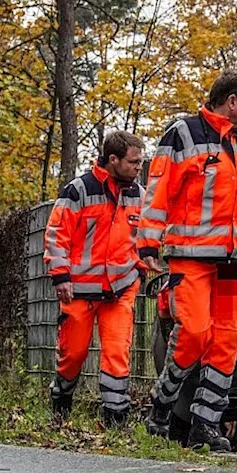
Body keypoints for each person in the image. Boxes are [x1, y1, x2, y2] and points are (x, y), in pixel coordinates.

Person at [136, 71, 237, 451]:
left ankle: (205, 425)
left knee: (227, 340)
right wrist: (147, 243)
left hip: (236, 260)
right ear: (232, 101)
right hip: (192, 258)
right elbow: (158, 190)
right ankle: (161, 408)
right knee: (194, 334)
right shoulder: (183, 134)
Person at [44, 130, 147, 428]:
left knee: (117, 353)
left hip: (120, 289)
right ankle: (61, 404)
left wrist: (138, 270)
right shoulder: (78, 191)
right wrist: (61, 276)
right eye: (133, 162)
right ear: (113, 159)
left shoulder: (138, 195)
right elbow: (56, 235)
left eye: (140, 162)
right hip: (78, 290)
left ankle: (116, 419)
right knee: (72, 355)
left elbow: (147, 236)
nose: (139, 167)